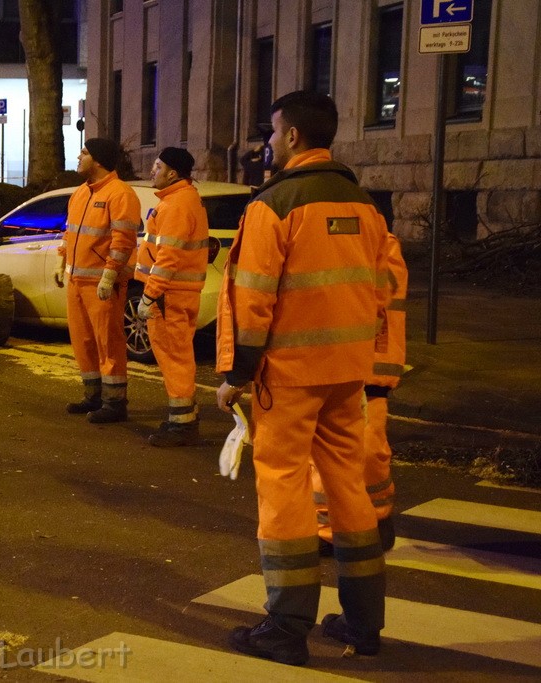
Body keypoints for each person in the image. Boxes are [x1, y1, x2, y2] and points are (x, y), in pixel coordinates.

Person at [215, 90, 391, 666]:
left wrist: (236, 375)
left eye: (271, 133)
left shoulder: (276, 204)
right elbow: (379, 292)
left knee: (285, 489)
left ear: (292, 137)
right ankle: (364, 625)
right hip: (347, 374)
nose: (267, 144)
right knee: (348, 489)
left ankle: (286, 628)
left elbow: (254, 300)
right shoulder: (362, 203)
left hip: (289, 376)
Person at [313, 231, 408, 554]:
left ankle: (343, 526)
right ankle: (367, 521)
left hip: (357, 363)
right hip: (363, 362)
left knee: (348, 448)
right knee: (360, 447)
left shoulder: (376, 243)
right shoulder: (380, 243)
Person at [56, 138, 139, 423]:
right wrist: (62, 260)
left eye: (85, 152)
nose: (79, 157)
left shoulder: (121, 194)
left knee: (108, 342)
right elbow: (70, 232)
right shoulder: (80, 193)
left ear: (100, 160)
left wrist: (110, 274)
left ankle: (115, 403)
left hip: (102, 285)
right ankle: (92, 396)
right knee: (83, 342)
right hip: (78, 281)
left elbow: (123, 240)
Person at [134, 147, 209, 447]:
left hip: (169, 296)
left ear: (172, 173)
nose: (152, 170)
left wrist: (150, 296)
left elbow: (167, 257)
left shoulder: (176, 205)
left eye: (157, 165)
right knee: (179, 356)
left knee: (174, 358)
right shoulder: (183, 200)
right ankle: (183, 417)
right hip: (178, 294)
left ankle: (183, 426)